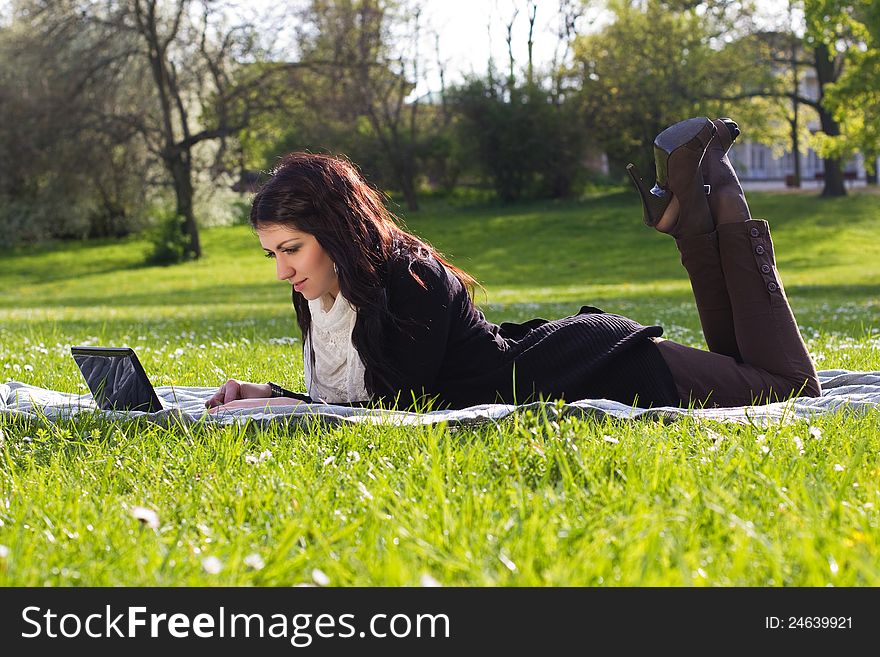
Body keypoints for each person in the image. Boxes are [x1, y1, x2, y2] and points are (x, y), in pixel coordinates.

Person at [205, 117, 820, 414]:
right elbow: (359, 401)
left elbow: (399, 409)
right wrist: (273, 395)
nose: (282, 271)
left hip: (595, 370)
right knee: (747, 368)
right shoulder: (324, 291)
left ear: (335, 233)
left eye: (291, 250)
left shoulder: (409, 278)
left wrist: (283, 404)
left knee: (788, 388)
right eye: (272, 254)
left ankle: (721, 187)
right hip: (572, 364)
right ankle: (690, 214)